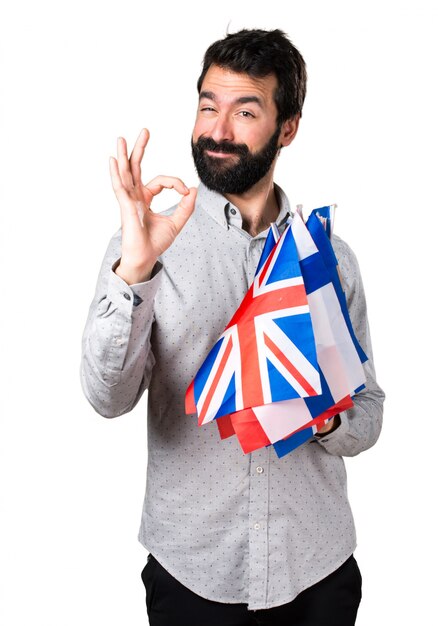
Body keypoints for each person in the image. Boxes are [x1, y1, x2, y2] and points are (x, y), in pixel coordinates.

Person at [80, 28, 384, 626]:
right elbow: (105, 399)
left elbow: (368, 412)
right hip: (193, 574)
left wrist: (320, 410)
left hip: (316, 569)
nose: (217, 131)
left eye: (245, 111)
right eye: (207, 106)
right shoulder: (143, 247)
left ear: (287, 128)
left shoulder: (328, 257)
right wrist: (136, 269)